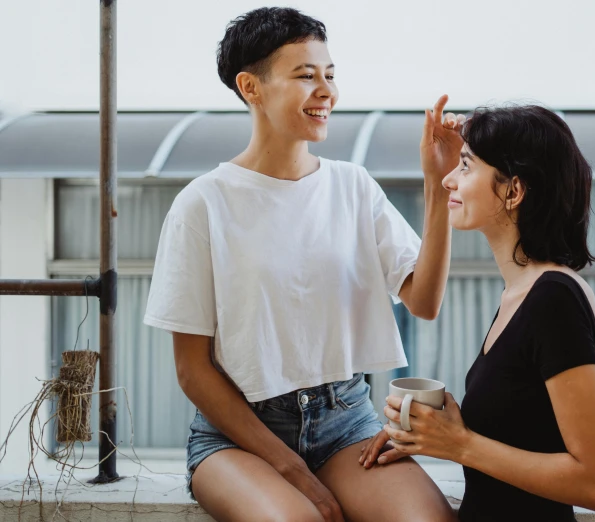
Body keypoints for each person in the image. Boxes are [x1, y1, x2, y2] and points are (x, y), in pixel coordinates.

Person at [143, 7, 462, 522]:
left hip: (347, 422)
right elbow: (193, 369)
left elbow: (423, 300)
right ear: (252, 87)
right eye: (305, 76)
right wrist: (289, 467)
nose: (326, 91)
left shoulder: (353, 186)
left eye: (330, 76)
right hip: (238, 436)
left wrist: (437, 182)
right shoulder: (203, 203)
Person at [360, 105, 595, 521]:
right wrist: (432, 433)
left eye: (465, 166)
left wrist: (459, 444)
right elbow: (528, 433)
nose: (450, 178)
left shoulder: (554, 298)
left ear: (513, 191)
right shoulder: (520, 294)